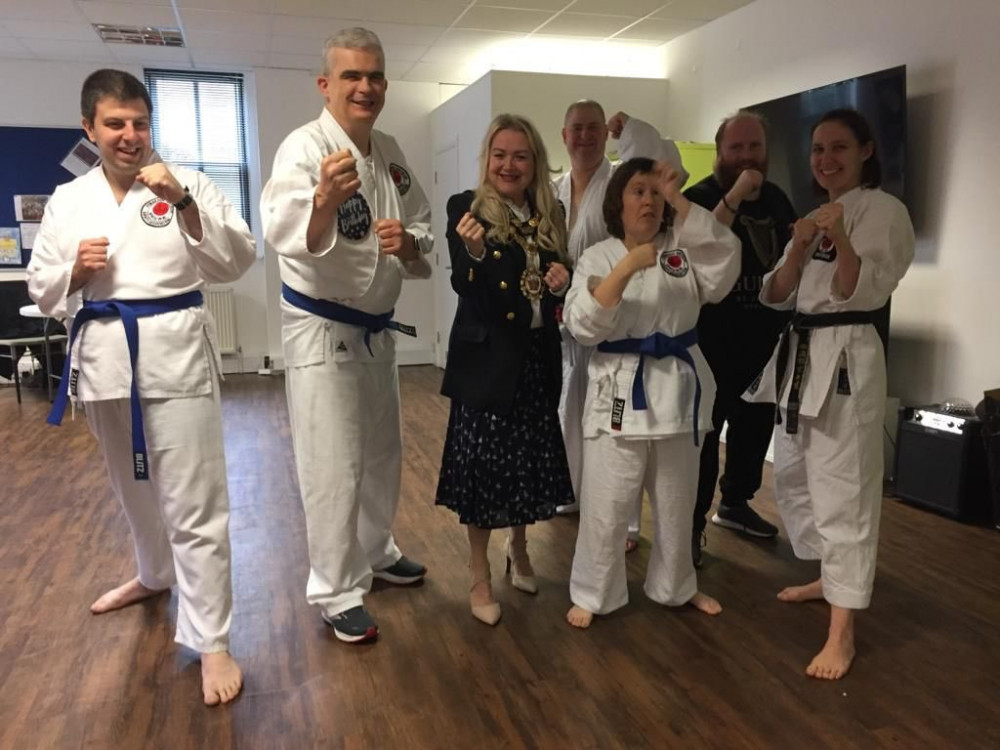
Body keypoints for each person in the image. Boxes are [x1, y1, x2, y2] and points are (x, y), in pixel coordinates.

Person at [27, 69, 256, 705]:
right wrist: (75, 269)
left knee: (195, 502)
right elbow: (41, 288)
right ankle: (154, 575)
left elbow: (236, 261)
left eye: (140, 123)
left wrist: (182, 201)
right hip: (104, 359)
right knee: (132, 490)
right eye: (115, 124)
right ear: (89, 129)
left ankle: (211, 640)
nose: (130, 136)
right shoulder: (69, 199)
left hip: (176, 355)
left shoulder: (189, 184)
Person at [260, 28, 432, 644]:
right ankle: (335, 588)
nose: (366, 86)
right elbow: (281, 229)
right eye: (353, 76)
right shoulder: (303, 149)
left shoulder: (387, 150)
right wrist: (323, 203)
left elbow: (422, 222)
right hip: (323, 330)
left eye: (376, 76)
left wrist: (411, 244)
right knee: (332, 464)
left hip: (377, 333)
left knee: (383, 455)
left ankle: (377, 551)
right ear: (326, 85)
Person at [745, 108, 914, 679]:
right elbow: (775, 294)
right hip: (802, 352)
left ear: (866, 150)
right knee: (796, 478)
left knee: (844, 490)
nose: (825, 159)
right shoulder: (813, 211)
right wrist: (797, 246)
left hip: (847, 354)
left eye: (839, 147)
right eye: (817, 149)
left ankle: (842, 632)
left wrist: (839, 236)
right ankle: (827, 576)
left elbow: (853, 290)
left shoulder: (884, 211)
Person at [563, 157, 740, 628]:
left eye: (655, 193)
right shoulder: (598, 255)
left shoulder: (681, 250)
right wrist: (626, 267)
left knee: (677, 501)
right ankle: (593, 592)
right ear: (618, 203)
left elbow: (725, 264)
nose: (648, 200)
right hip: (618, 390)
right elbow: (581, 325)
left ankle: (676, 586)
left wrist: (680, 200)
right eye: (637, 191)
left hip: (678, 392)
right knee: (607, 501)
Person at [436, 113, 573, 626]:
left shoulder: (549, 211)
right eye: (500, 155)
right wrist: (473, 251)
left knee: (526, 466)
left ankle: (520, 549)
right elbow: (465, 286)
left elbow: (560, 273)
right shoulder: (465, 208)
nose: (509, 165)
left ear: (534, 162)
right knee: (484, 472)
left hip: (537, 355)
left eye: (520, 155)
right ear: (487, 159)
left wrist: (563, 276)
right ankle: (479, 573)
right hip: (488, 359)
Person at [554, 100, 688, 554]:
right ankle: (578, 495)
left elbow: (654, 160)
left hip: (620, 309)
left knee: (621, 423)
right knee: (576, 414)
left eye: (594, 128)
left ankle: (627, 521)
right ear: (564, 135)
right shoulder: (554, 188)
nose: (586, 136)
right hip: (576, 309)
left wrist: (630, 125)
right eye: (577, 128)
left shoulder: (618, 179)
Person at [687, 111, 797, 565]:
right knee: (704, 442)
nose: (747, 156)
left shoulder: (776, 199)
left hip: (762, 345)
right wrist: (734, 197)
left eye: (754, 147)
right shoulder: (698, 198)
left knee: (753, 432)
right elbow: (698, 249)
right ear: (720, 152)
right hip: (710, 345)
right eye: (737, 148)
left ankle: (735, 504)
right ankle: (689, 529)